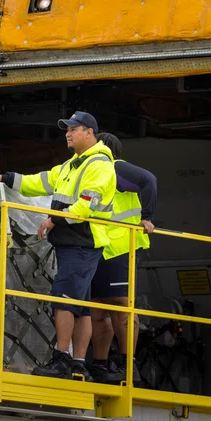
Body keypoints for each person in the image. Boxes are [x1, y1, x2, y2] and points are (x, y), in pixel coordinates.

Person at [0, 111, 116, 381]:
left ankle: (62, 360)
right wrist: (5, 178)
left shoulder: (99, 165)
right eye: (66, 129)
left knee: (63, 299)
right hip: (74, 243)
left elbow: (87, 203)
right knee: (81, 305)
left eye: (74, 129)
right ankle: (78, 363)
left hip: (82, 241)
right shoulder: (73, 165)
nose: (68, 133)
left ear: (89, 132)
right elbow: (40, 182)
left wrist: (53, 219)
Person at [87, 132, 157, 385]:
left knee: (120, 306)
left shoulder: (116, 168)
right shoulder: (88, 173)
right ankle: (100, 365)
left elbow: (149, 180)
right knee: (97, 309)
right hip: (97, 247)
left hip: (121, 247)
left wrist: (147, 217)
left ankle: (130, 367)